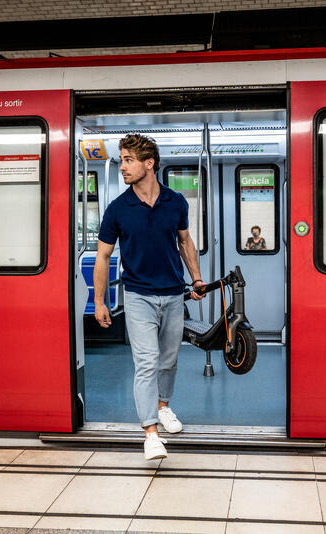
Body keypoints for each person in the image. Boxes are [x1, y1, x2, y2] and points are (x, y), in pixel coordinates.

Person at [93, 134, 205, 461]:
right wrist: (100, 301)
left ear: (149, 164)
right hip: (138, 295)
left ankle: (163, 405)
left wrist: (196, 279)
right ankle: (150, 433)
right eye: (122, 160)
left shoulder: (176, 202)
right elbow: (103, 257)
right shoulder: (117, 209)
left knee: (169, 360)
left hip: (173, 293)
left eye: (129, 160)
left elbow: (185, 242)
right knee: (146, 362)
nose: (123, 167)